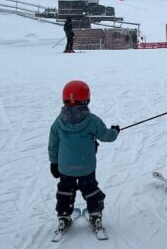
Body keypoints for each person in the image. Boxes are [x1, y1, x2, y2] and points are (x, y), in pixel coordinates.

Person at [48, 80, 120, 235]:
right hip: (86, 168)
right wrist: (114, 131)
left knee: (65, 191)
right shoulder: (92, 120)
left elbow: (53, 145)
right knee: (90, 189)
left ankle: (64, 215)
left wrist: (53, 163)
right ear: (87, 98)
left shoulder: (58, 122)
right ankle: (95, 214)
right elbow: (106, 136)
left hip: (65, 168)